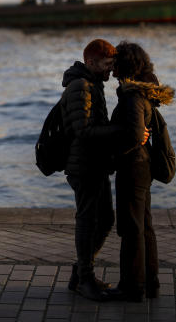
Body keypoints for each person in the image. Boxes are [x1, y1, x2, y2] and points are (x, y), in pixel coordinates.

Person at [108, 41, 174, 302]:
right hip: (142, 166)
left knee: (132, 228)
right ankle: (150, 283)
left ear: (125, 65)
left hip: (133, 166)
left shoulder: (133, 94)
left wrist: (114, 154)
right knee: (144, 226)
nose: (112, 69)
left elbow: (135, 134)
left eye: (116, 63)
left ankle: (132, 287)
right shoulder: (142, 92)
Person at [59, 38, 120, 301]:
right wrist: (121, 131)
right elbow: (82, 130)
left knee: (105, 219)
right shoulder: (80, 86)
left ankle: (80, 274)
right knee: (87, 221)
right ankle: (84, 279)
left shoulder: (93, 84)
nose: (111, 71)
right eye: (107, 65)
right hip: (84, 167)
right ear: (90, 62)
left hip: (95, 164)